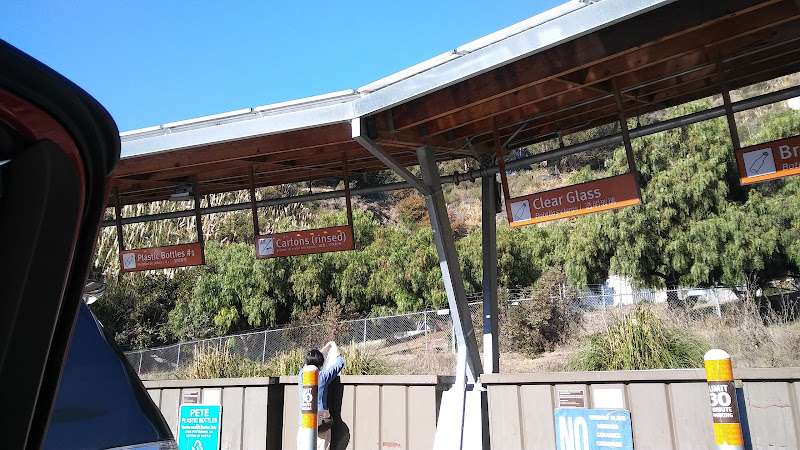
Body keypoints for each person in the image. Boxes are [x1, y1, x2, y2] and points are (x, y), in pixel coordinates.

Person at [298, 341, 345, 449]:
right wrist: (333, 346)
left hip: (304, 420)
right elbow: (340, 362)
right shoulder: (323, 376)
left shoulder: (301, 374)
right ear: (321, 363)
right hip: (321, 421)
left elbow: (309, 362)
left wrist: (322, 350)